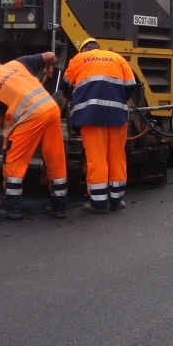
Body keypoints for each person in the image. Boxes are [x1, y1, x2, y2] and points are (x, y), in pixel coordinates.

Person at [0, 52, 68, 220]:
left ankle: (13, 206)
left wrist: (7, 140)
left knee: (14, 161)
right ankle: (60, 205)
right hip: (51, 108)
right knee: (54, 157)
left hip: (32, 115)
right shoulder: (19, 63)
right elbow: (51, 55)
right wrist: (49, 68)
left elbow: (2, 120)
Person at [62, 38, 137, 214]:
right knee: (117, 157)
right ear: (98, 48)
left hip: (91, 115)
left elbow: (65, 86)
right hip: (117, 115)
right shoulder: (117, 58)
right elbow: (131, 86)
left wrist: (74, 96)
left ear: (83, 50)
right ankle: (116, 200)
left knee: (97, 158)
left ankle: (99, 202)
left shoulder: (79, 60)